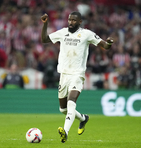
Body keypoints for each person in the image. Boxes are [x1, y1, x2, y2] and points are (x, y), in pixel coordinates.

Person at [41, 11, 114, 143]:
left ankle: (65, 132)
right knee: (63, 109)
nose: (71, 22)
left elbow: (105, 46)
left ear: (80, 22)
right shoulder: (63, 32)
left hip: (77, 74)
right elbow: (45, 39)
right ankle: (83, 118)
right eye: (69, 20)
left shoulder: (87, 34)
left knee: (71, 103)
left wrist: (108, 43)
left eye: (74, 20)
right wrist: (45, 24)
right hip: (64, 75)